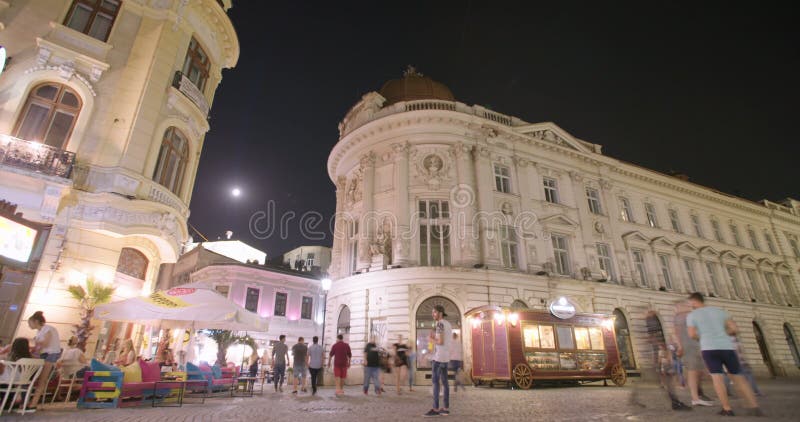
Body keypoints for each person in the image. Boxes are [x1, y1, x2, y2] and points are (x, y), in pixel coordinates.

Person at [686, 292, 763, 417]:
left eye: (690, 303)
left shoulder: (692, 315)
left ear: (694, 302)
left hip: (709, 349)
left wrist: (703, 337)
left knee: (717, 379)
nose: (690, 306)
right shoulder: (721, 311)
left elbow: (692, 335)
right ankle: (754, 406)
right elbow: (734, 329)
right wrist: (722, 334)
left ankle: (727, 409)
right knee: (739, 378)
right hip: (727, 348)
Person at [644, 310, 691, 411]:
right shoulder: (652, 324)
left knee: (668, 378)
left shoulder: (653, 322)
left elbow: (657, 338)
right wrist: (664, 351)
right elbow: (657, 338)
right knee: (668, 377)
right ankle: (675, 402)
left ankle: (675, 401)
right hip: (660, 355)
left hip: (660, 355)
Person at [673, 300, 714, 406]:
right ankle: (695, 397)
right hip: (689, 347)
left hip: (695, 345)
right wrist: (680, 346)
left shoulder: (689, 316)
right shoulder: (679, 317)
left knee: (698, 371)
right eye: (684, 305)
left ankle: (698, 394)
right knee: (693, 372)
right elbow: (675, 332)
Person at [28, 311, 61, 411]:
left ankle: (33, 403)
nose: (29, 325)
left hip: (50, 355)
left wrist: (31, 342)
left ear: (36, 321)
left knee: (42, 378)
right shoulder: (40, 331)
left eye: (30, 322)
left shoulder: (48, 329)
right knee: (35, 376)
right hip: (43, 355)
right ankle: (29, 400)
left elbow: (45, 343)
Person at [424, 304, 452, 417]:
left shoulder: (440, 324)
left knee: (435, 383)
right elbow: (444, 341)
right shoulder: (448, 324)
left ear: (440, 313)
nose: (432, 314)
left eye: (434, 312)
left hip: (438, 358)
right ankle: (445, 408)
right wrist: (434, 338)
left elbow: (440, 341)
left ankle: (435, 409)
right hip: (445, 357)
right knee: (445, 383)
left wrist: (430, 339)